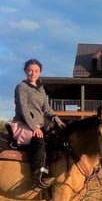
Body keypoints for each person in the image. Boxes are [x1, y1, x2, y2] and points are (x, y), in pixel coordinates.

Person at [10, 58, 64, 189]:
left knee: (56, 139)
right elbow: (24, 109)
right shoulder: (21, 87)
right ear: (25, 71)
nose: (32, 73)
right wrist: (34, 127)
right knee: (39, 141)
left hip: (39, 125)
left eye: (35, 71)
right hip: (24, 124)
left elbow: (46, 108)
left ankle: (51, 170)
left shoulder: (41, 89)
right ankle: (36, 177)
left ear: (39, 72)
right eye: (30, 70)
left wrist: (58, 120)